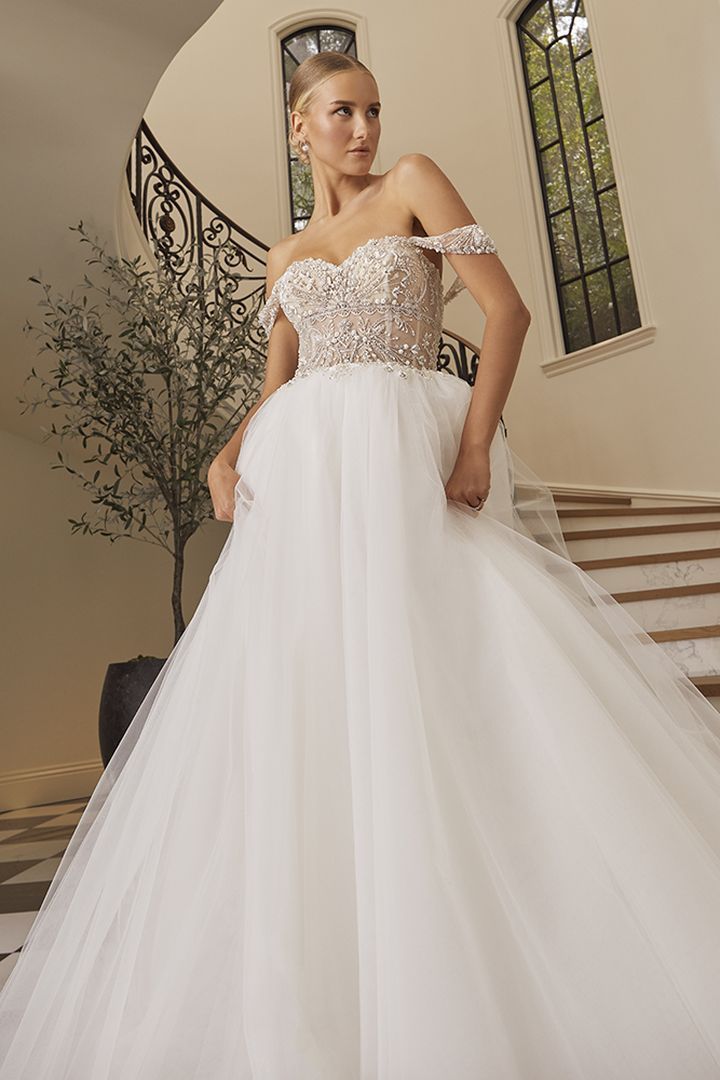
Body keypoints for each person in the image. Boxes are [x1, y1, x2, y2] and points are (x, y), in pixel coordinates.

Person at [2, 50, 720, 1080]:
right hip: (304, 486)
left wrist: (475, 445)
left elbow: (506, 312)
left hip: (406, 459)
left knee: (443, 680)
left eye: (372, 110)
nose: (364, 129)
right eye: (341, 112)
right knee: (311, 700)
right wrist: (228, 448)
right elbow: (281, 379)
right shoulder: (284, 253)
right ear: (301, 127)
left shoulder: (415, 184)